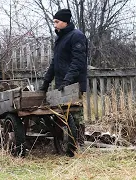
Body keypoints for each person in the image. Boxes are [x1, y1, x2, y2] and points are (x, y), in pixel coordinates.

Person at [40, 9, 88, 151]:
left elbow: (78, 62)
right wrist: (46, 82)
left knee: (75, 114)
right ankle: (63, 144)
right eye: (54, 21)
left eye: (57, 22)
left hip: (74, 83)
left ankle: (79, 144)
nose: (54, 24)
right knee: (60, 113)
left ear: (65, 22)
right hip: (61, 83)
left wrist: (68, 81)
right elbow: (55, 63)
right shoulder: (60, 38)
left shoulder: (77, 36)